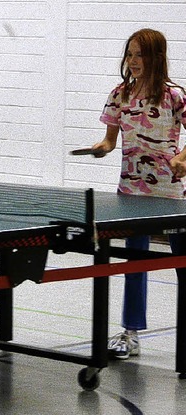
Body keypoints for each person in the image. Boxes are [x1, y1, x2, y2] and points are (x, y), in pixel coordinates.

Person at [90, 28, 186, 359]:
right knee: (134, 262)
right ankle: (130, 333)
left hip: (170, 194)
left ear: (157, 58)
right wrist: (102, 147)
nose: (132, 61)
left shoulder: (174, 97)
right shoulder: (119, 95)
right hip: (130, 194)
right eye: (129, 54)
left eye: (139, 54)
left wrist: (182, 158)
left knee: (183, 263)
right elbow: (110, 139)